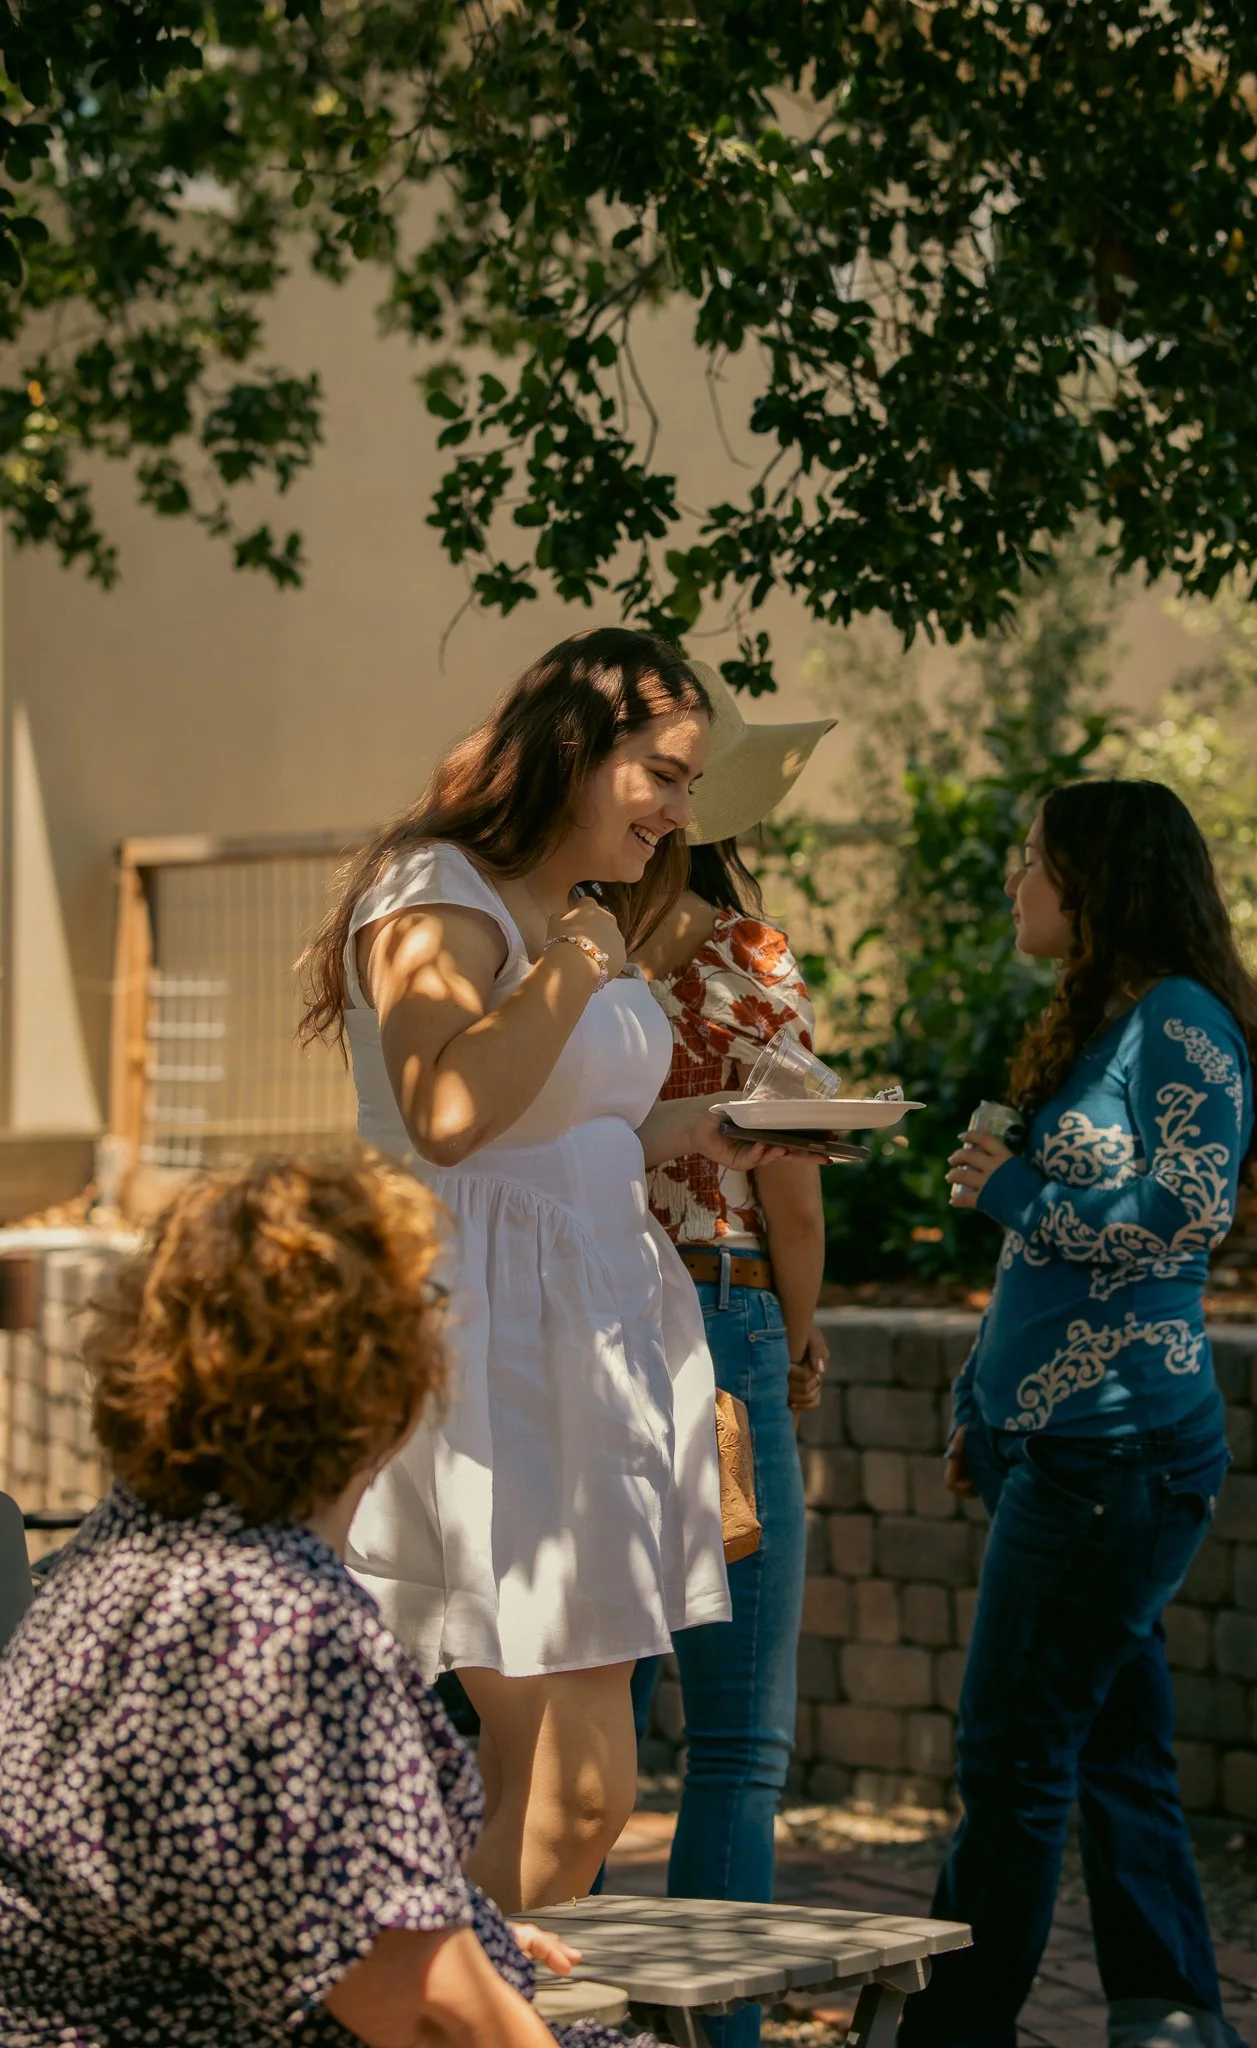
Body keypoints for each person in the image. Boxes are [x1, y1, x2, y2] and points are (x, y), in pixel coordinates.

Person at [298, 627, 789, 1913]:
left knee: (588, 1799)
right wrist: (581, 960)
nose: (684, 811)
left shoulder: (573, 915)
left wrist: (705, 1129)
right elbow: (447, 1109)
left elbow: (567, 1127)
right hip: (487, 1345)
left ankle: (444, 1998)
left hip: (597, 1333)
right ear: (577, 751)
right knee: (567, 1792)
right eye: (666, 775)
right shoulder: (437, 887)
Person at [0, 1153, 649, 2048]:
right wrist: (449, 1966)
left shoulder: (116, 1561)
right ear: (382, 1375)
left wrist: (461, 1933)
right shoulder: (283, 1628)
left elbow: (256, 1887)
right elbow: (426, 2011)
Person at [900, 780, 1257, 2048]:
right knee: (1114, 1748)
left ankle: (955, 2031)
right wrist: (982, 1404)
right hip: (1049, 1446)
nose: (1017, 881)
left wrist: (1011, 1188)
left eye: (1034, 860)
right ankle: (1172, 2016)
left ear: (1101, 882)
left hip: (1116, 1454)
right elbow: (1043, 1275)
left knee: (1009, 1763)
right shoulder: (1107, 1022)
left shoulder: (1183, 1025)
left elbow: (1182, 1224)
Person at [628, 667, 834, 2048]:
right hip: (717, 1307)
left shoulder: (551, 945)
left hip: (579, 1314)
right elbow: (795, 1180)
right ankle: (715, 2039)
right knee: (737, 1742)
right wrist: (802, 1329)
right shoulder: (743, 956)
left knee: (578, 1709)